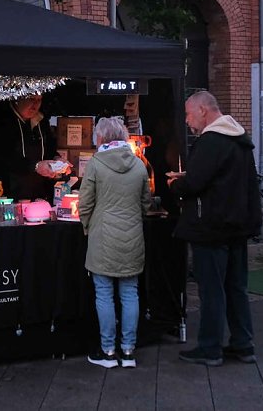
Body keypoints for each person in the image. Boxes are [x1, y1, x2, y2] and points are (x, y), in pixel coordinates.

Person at [166, 91, 261, 366]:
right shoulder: (240, 139)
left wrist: (175, 184)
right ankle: (243, 344)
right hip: (237, 226)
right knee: (236, 287)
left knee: (212, 289)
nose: (187, 120)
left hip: (210, 227)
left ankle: (210, 348)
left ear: (203, 111)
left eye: (188, 114)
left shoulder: (210, 141)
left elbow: (195, 184)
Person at [79, 117, 151, 369]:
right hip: (133, 238)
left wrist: (88, 227)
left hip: (102, 237)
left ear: (101, 138)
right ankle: (129, 351)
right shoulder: (139, 165)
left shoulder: (96, 164)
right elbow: (146, 203)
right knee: (130, 293)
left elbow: (85, 204)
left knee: (104, 294)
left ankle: (108, 351)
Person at [0, 94, 66, 200]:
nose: (35, 104)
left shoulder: (41, 121)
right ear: (18, 98)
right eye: (31, 99)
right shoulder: (0, 120)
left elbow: (49, 149)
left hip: (35, 193)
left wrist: (57, 159)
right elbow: (2, 155)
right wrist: (36, 166)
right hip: (4, 192)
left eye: (39, 100)